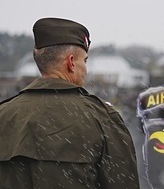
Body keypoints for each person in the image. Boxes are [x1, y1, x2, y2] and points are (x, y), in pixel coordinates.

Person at [0, 18, 140, 189]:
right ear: (71, 62)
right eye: (85, 61)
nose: (86, 70)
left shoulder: (4, 114)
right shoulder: (102, 118)